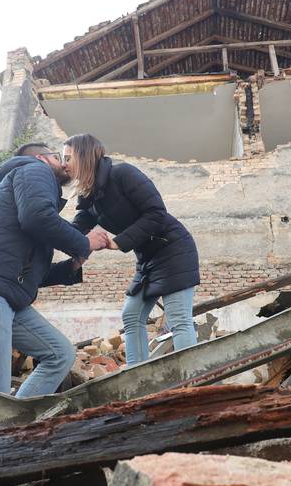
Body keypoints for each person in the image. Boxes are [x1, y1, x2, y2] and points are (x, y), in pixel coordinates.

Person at [0, 142, 109, 396]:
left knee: (59, 354)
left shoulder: (28, 193)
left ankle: (17, 424)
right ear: (42, 158)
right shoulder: (34, 169)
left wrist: (69, 267)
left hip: (4, 293)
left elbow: (24, 271)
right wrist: (84, 242)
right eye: (57, 156)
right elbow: (37, 218)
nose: (64, 163)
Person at [63, 134, 200, 365]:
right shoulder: (90, 194)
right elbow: (77, 227)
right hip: (147, 257)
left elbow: (157, 213)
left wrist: (119, 242)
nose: (64, 163)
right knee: (132, 315)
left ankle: (195, 383)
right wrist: (55, 233)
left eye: (68, 158)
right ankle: (138, 376)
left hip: (173, 249)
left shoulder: (122, 173)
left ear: (85, 156)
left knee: (178, 320)